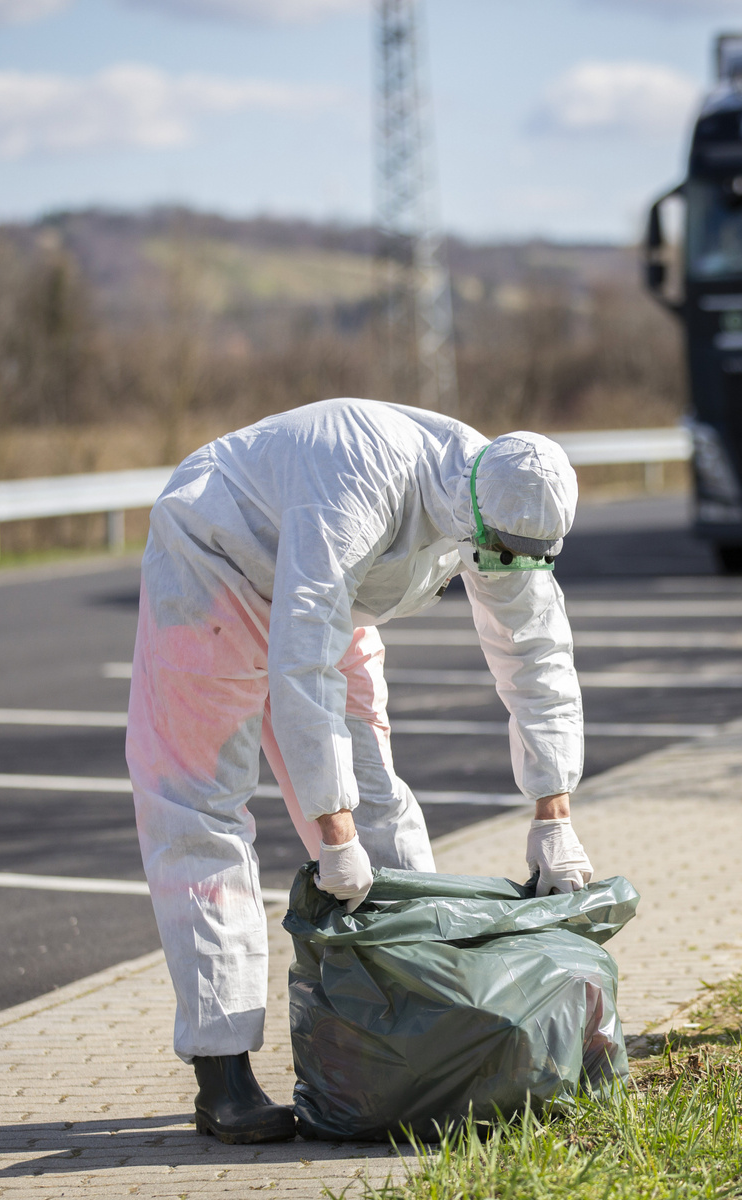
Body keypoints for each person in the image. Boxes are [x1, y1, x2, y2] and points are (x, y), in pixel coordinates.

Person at [125, 398, 596, 1144]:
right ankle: (223, 1075)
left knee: (378, 797)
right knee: (202, 806)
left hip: (332, 599)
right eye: (497, 550)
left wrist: (554, 816)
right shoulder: (360, 474)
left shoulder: (514, 501)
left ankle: (416, 1042)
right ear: (472, 510)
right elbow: (301, 650)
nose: (504, 567)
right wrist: (330, 828)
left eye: (521, 557)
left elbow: (536, 658)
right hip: (219, 560)